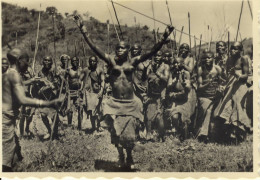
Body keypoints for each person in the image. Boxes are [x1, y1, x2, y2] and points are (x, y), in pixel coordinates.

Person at [74, 15, 173, 168]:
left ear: (128, 50)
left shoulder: (133, 62)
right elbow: (94, 47)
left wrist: (164, 36)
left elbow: (152, 52)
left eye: (123, 48)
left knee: (130, 133)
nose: (119, 50)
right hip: (114, 103)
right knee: (114, 130)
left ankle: (129, 156)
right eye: (117, 48)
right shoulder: (111, 61)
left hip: (130, 102)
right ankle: (120, 155)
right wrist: (83, 30)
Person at [2, 48, 62, 172]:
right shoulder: (14, 75)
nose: (28, 64)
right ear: (19, 60)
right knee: (6, 161)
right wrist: (48, 102)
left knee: (13, 150)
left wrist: (32, 81)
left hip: (7, 119)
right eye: (26, 61)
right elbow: (23, 99)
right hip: (5, 121)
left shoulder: (6, 74)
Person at [213, 42, 252, 143]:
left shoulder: (243, 59)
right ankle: (229, 135)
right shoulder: (229, 59)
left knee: (237, 107)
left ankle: (239, 135)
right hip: (230, 86)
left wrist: (236, 74)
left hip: (240, 86)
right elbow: (227, 75)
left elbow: (246, 76)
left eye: (236, 49)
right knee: (227, 107)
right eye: (232, 49)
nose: (233, 51)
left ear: (240, 50)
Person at [164, 56, 195, 141]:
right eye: (174, 63)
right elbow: (168, 86)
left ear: (183, 64)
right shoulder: (172, 73)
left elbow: (188, 89)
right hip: (176, 99)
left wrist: (185, 83)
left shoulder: (186, 73)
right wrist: (173, 82)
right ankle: (178, 132)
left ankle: (184, 135)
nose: (176, 64)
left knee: (184, 120)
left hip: (186, 99)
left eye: (178, 63)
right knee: (174, 117)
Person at [196, 51, 222, 142]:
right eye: (205, 58)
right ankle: (203, 134)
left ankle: (216, 135)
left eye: (209, 57)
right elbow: (199, 88)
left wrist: (220, 87)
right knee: (207, 111)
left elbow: (223, 81)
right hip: (204, 96)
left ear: (213, 58)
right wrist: (209, 83)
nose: (207, 59)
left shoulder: (217, 69)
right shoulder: (201, 69)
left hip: (216, 96)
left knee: (216, 114)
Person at [146, 50, 170, 141]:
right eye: (155, 56)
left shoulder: (165, 67)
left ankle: (162, 135)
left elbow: (166, 79)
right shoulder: (150, 65)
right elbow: (146, 77)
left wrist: (157, 73)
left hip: (161, 93)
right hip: (151, 92)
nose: (157, 57)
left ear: (162, 57)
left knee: (159, 115)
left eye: (159, 56)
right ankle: (149, 134)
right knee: (149, 114)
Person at [37, 56, 61, 140]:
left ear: (51, 62)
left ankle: (55, 133)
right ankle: (49, 131)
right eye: (45, 60)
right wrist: (48, 86)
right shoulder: (40, 73)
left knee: (55, 117)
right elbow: (39, 86)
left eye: (49, 60)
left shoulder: (54, 72)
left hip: (53, 97)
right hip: (44, 97)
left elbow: (58, 84)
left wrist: (58, 79)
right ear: (43, 62)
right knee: (43, 115)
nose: (47, 62)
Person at [82, 56, 105, 132]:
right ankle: (93, 127)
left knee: (97, 110)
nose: (92, 63)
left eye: (94, 61)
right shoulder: (86, 70)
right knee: (91, 111)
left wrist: (101, 91)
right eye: (90, 61)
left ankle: (98, 125)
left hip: (97, 92)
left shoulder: (99, 70)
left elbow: (102, 81)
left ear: (96, 62)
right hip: (88, 93)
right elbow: (80, 79)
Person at [66, 56, 84, 130]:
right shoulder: (69, 70)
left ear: (78, 61)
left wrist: (81, 88)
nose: (75, 62)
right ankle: (69, 125)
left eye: (76, 61)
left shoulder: (81, 70)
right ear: (71, 62)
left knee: (80, 108)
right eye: (73, 61)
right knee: (69, 109)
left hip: (78, 91)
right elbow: (66, 80)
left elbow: (82, 80)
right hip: (70, 91)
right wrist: (67, 90)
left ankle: (80, 126)